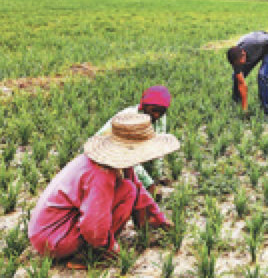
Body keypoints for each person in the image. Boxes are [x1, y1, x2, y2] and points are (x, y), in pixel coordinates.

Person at [28, 113, 179, 267]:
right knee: (127, 191)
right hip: (53, 239)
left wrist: (158, 220)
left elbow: (139, 188)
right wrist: (111, 249)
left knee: (130, 188)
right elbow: (93, 224)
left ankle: (94, 245)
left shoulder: (119, 164)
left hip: (51, 229)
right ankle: (90, 254)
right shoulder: (101, 174)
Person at [96, 85, 171, 198]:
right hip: (102, 154)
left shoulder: (159, 118)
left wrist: (158, 175)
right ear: (144, 105)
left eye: (161, 112)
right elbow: (129, 157)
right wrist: (149, 185)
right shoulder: (130, 119)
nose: (157, 115)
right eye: (154, 110)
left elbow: (158, 146)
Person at [227, 31, 268, 116]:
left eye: (242, 63)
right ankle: (237, 103)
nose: (241, 65)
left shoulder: (256, 41)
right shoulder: (236, 59)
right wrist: (245, 108)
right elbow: (242, 84)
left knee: (262, 75)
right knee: (236, 77)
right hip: (257, 52)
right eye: (238, 64)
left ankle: (266, 109)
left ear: (244, 54)